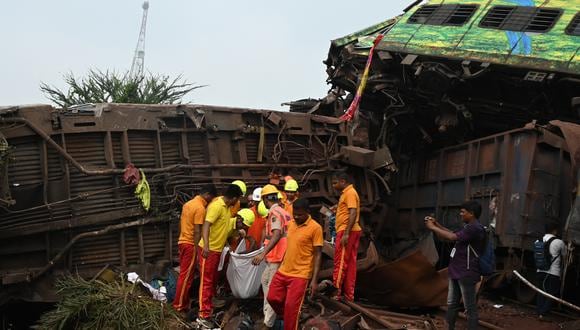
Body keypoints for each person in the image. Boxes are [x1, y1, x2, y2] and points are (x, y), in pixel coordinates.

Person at [424, 201, 485, 330]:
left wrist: (432, 228)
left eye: (463, 212)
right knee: (452, 304)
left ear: (472, 213)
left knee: (469, 308)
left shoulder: (475, 228)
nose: (460, 214)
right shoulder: (468, 226)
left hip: (466, 272)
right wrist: (437, 224)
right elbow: (453, 233)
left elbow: (452, 237)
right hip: (457, 271)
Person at [267, 198, 323, 330]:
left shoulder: (316, 228)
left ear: (308, 212)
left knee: (291, 309)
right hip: (284, 270)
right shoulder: (291, 224)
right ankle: (287, 316)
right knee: (272, 298)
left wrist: (314, 280)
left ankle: (291, 321)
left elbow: (318, 254)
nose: (296, 217)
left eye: (300, 214)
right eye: (295, 214)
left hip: (300, 275)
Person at [196, 184, 243, 329]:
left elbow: (223, 228)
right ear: (234, 198)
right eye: (238, 199)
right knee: (206, 281)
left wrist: (236, 230)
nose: (238, 202)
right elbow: (206, 225)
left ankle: (208, 309)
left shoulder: (227, 208)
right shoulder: (217, 206)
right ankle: (203, 314)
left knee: (210, 280)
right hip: (209, 250)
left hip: (216, 250)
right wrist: (206, 246)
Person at [173, 184, 217, 313]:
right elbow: (198, 231)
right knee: (186, 276)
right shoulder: (200, 208)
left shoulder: (188, 204)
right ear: (208, 195)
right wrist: (198, 248)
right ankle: (179, 305)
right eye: (211, 198)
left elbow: (181, 224)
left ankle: (183, 303)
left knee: (185, 275)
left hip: (182, 241)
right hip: (191, 243)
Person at [252, 184, 291, 329]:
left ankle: (268, 323)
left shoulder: (274, 213)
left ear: (264, 199)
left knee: (272, 289)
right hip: (281, 255)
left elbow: (276, 234)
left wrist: (263, 254)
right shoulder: (283, 211)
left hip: (277, 256)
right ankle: (269, 317)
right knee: (265, 281)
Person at [331, 171, 362, 302]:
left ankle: (336, 293)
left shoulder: (349, 193)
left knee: (341, 262)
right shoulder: (349, 193)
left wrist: (347, 233)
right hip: (351, 230)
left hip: (346, 231)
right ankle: (349, 295)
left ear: (343, 181)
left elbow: (353, 212)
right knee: (350, 265)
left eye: (335, 183)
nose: (333, 186)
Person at [537, 222, 567, 319]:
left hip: (540, 270)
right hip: (553, 272)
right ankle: (543, 313)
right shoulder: (559, 242)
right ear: (554, 230)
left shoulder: (538, 240)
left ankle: (539, 311)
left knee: (540, 292)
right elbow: (565, 255)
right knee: (551, 294)